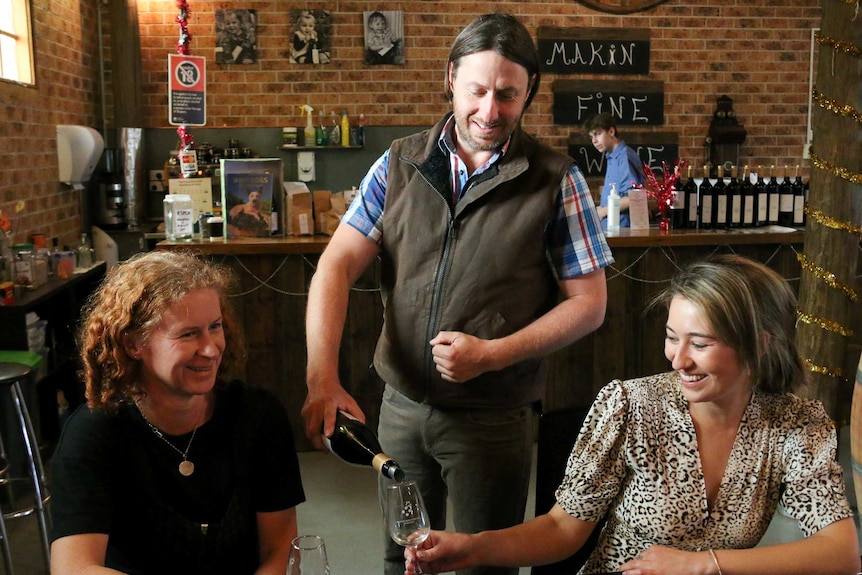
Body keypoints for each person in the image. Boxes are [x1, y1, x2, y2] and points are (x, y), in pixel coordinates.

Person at [302, 12, 612, 575]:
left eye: (507, 95)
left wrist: (493, 354)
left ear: (528, 94)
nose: (489, 111)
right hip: (399, 410)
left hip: (493, 420)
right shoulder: (399, 163)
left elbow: (590, 305)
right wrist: (321, 378)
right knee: (403, 559)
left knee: (482, 565)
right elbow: (335, 266)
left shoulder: (555, 179)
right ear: (451, 78)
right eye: (477, 90)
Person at [406, 254, 861, 575]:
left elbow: (841, 554)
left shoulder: (796, 424)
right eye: (671, 337)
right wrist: (473, 547)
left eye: (700, 344)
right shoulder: (631, 406)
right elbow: (563, 529)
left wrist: (703, 565)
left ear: (760, 344)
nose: (677, 359)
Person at [50, 251, 306, 574]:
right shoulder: (94, 433)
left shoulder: (258, 416)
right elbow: (73, 567)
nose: (211, 348)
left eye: (215, 327)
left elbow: (281, 548)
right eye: (188, 334)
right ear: (133, 344)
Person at [584, 112, 644, 230]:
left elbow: (635, 198)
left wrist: (603, 211)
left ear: (611, 132)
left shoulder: (624, 156)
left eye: (598, 134)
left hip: (623, 230)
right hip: (611, 228)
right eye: (591, 136)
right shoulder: (612, 156)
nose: (594, 141)